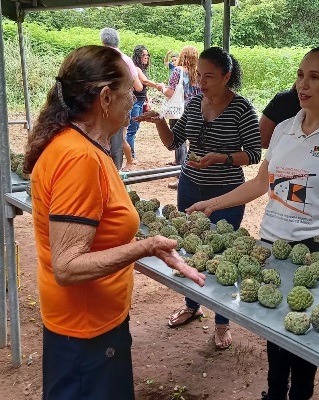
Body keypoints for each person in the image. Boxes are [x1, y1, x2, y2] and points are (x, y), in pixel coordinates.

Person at [185, 45, 319, 400]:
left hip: (316, 247)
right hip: (271, 242)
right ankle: (275, 393)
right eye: (301, 75)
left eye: (315, 77)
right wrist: (212, 204)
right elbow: (262, 183)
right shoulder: (285, 129)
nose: (302, 84)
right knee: (275, 329)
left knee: (305, 334)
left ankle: (299, 394)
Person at [22, 45, 205, 400]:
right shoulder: (79, 159)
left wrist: (143, 249)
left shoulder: (83, 145)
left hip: (87, 326)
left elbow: (98, 231)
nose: (133, 102)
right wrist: (145, 246)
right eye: (129, 94)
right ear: (105, 98)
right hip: (84, 333)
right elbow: (68, 265)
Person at [136, 46, 262, 349]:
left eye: (209, 76)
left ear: (226, 76)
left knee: (221, 254)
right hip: (190, 186)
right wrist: (159, 123)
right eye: (199, 76)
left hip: (227, 194)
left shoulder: (242, 109)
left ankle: (221, 322)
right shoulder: (193, 105)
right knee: (189, 249)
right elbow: (174, 143)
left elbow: (255, 154)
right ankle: (192, 306)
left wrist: (222, 158)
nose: (202, 82)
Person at [100, 27, 143, 171]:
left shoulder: (97, 59)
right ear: (117, 41)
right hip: (119, 106)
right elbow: (138, 87)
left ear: (102, 42)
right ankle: (116, 174)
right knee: (118, 141)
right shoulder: (125, 60)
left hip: (99, 106)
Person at [159, 45, 201, 188]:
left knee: (179, 143)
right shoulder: (199, 73)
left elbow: (170, 93)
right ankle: (194, 174)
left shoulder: (177, 71)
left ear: (183, 56)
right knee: (195, 143)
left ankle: (181, 176)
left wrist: (161, 88)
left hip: (179, 111)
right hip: (196, 111)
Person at [124, 45, 162, 169]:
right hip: (135, 103)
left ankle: (131, 154)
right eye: (143, 55)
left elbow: (143, 88)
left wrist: (147, 100)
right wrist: (158, 86)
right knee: (131, 130)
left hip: (139, 102)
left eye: (147, 55)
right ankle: (132, 156)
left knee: (134, 129)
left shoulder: (141, 69)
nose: (146, 57)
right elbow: (145, 82)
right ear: (138, 56)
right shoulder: (136, 69)